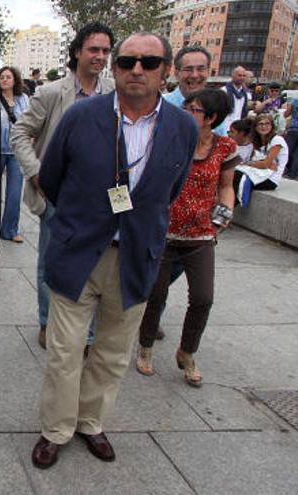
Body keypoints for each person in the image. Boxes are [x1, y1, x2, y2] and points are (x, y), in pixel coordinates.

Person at [31, 32, 197, 469]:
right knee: (65, 350)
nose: (136, 69)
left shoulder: (182, 127)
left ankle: (90, 422)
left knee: (112, 350)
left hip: (136, 256)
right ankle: (56, 430)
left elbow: (171, 189)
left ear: (166, 71)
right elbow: (50, 177)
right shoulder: (81, 117)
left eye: (148, 62)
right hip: (79, 252)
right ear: (114, 68)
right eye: (126, 62)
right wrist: (84, 219)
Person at [11, 21, 116, 350]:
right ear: (76, 52)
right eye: (93, 49)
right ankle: (47, 322)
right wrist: (37, 173)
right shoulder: (52, 92)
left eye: (105, 51)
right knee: (52, 261)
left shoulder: (115, 91)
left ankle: (86, 334)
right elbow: (20, 134)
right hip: (58, 195)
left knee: (98, 262)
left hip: (102, 198)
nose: (99, 56)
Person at [136, 89, 238, 387]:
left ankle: (187, 351)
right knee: (156, 294)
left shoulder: (225, 147)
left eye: (195, 110)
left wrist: (224, 215)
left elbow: (226, 186)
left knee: (204, 297)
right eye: (187, 107)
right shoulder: (171, 139)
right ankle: (145, 346)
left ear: (212, 118)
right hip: (163, 231)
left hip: (201, 234)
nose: (187, 113)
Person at [0, 66, 29, 242]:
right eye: (2, 77)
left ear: (15, 80)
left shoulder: (24, 99)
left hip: (17, 152)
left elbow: (31, 122)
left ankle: (10, 230)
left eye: (8, 77)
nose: (5, 80)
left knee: (14, 192)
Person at [164, 46, 226, 136]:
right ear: (177, 74)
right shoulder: (160, 105)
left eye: (201, 69)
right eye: (188, 69)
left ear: (208, 72)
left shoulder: (216, 108)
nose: (194, 75)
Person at [233, 113, 289, 197]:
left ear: (272, 126)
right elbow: (262, 162)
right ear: (255, 127)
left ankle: (228, 207)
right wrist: (259, 163)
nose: (264, 127)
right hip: (258, 173)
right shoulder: (258, 141)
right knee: (232, 175)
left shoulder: (277, 140)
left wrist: (250, 163)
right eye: (261, 124)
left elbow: (265, 164)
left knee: (238, 179)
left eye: (267, 124)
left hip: (270, 179)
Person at [221, 66, 251, 132]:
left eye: (244, 76)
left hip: (237, 129)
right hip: (224, 128)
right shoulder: (224, 91)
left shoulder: (245, 94)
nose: (242, 78)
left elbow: (243, 112)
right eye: (239, 75)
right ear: (233, 76)